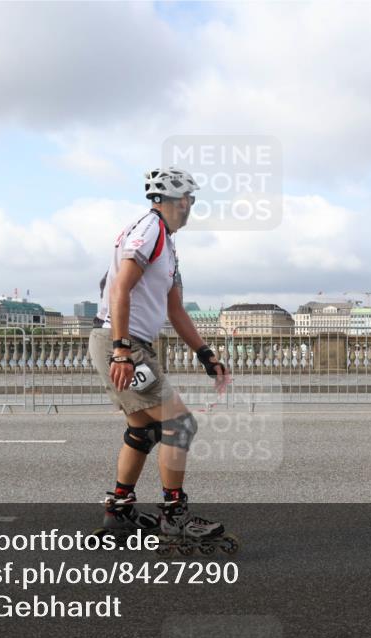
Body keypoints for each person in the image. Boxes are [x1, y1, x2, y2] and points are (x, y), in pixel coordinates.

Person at [90, 167, 232, 547]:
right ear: (176, 199)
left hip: (125, 343)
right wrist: (122, 350)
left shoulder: (166, 243)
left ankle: (118, 512)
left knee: (144, 430)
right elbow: (120, 288)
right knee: (180, 425)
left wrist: (205, 354)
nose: (191, 207)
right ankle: (175, 515)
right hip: (123, 344)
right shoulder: (149, 230)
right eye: (189, 199)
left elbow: (176, 310)